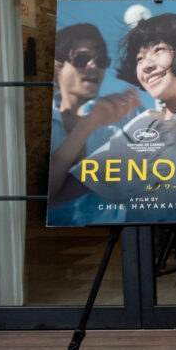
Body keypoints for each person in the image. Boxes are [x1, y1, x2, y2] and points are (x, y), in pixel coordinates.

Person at [57, 0, 176, 223]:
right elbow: (56, 192)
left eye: (158, 50)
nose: (146, 65)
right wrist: (87, 126)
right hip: (144, 243)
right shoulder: (141, 127)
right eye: (139, 58)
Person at [47, 23, 140, 226]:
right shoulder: (42, 123)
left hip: (109, 233)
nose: (93, 66)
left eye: (101, 60)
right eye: (81, 59)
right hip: (50, 237)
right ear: (57, 66)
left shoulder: (115, 123)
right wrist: (87, 125)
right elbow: (44, 195)